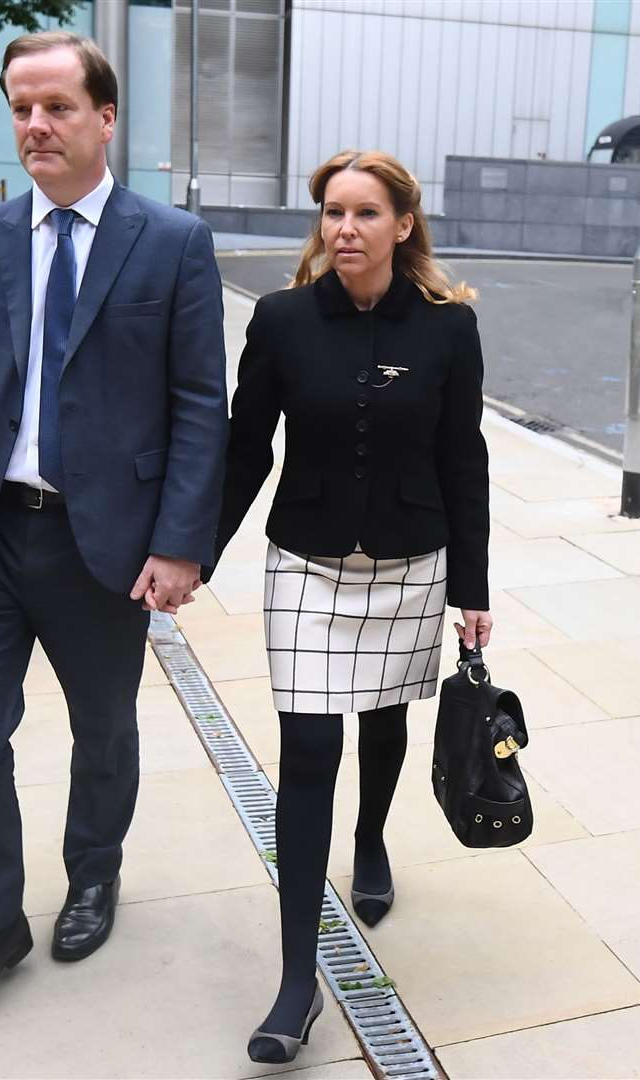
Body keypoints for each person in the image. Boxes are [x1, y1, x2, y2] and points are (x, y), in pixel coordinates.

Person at [0, 31, 228, 1036]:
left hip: (105, 542)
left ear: (105, 118)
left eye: (56, 106)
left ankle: (95, 873)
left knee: (104, 727)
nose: (35, 125)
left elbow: (197, 404)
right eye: (20, 107)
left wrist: (180, 545)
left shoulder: (170, 241)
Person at [212, 149, 492, 1064]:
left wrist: (473, 589)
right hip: (307, 564)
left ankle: (370, 839)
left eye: (366, 213)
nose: (344, 229)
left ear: (403, 225)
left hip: (411, 561)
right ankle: (299, 981)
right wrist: (193, 554)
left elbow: (464, 461)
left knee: (379, 721)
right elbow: (244, 447)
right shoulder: (284, 320)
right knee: (309, 747)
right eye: (333, 212)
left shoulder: (449, 329)